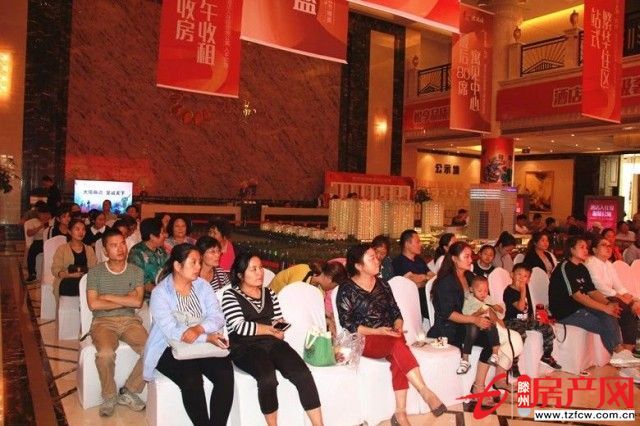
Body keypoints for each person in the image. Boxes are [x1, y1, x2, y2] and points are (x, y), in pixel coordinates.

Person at [337, 244, 445, 424]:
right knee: (397, 344)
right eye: (371, 258)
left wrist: (398, 325)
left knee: (397, 351)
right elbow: (347, 324)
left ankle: (400, 413)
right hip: (365, 338)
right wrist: (377, 331)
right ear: (358, 266)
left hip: (389, 335)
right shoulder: (346, 288)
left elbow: (395, 311)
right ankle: (424, 391)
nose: (377, 260)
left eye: (376, 257)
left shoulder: (382, 284)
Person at [221, 253, 324, 426]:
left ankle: (318, 424)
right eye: (253, 269)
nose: (260, 272)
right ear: (240, 275)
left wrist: (279, 328)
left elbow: (277, 318)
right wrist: (269, 329)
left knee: (302, 374)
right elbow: (240, 327)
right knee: (267, 378)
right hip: (245, 347)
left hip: (272, 342)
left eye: (260, 268)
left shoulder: (269, 293)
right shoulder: (230, 295)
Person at [143, 244, 234, 426]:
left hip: (203, 344)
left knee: (225, 374)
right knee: (191, 379)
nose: (198, 267)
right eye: (193, 263)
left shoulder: (203, 286)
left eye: (199, 262)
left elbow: (217, 317)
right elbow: (172, 331)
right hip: (169, 346)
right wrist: (206, 336)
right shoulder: (160, 293)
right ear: (177, 266)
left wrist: (199, 329)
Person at [428, 241, 512, 406]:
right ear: (454, 259)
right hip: (449, 328)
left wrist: (494, 318)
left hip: (468, 323)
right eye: (466, 256)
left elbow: (484, 301)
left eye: (470, 256)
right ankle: (479, 388)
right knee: (488, 337)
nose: (470, 259)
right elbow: (448, 314)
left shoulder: (469, 277)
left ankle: (483, 385)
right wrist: (475, 319)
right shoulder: (445, 282)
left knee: (494, 336)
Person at [86, 228, 147, 417]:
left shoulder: (136, 271)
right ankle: (109, 395)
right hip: (103, 322)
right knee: (105, 354)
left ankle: (129, 390)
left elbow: (137, 302)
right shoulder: (95, 273)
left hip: (130, 321)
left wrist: (107, 296)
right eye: (114, 245)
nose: (120, 249)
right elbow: (93, 304)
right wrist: (125, 299)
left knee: (153, 349)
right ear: (105, 251)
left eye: (122, 244)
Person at [548, 236, 635, 364]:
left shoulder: (582, 268)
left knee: (609, 315)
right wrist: (605, 307)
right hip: (566, 312)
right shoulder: (565, 267)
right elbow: (577, 296)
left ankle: (620, 355)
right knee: (604, 324)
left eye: (586, 247)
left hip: (581, 308)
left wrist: (609, 304)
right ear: (572, 249)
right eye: (581, 247)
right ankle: (620, 355)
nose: (585, 250)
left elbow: (592, 292)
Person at [502, 263, 560, 377]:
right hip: (511, 321)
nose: (521, 278)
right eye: (519, 274)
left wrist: (536, 319)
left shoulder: (524, 290)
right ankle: (513, 365)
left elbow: (527, 310)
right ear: (512, 275)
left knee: (547, 328)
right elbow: (520, 307)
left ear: (528, 279)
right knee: (521, 336)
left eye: (525, 276)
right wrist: (523, 290)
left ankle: (546, 356)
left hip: (525, 319)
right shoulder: (509, 291)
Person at [584, 235, 640, 353]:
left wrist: (631, 298)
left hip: (612, 296)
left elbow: (619, 285)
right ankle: (625, 349)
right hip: (597, 298)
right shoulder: (591, 263)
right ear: (594, 249)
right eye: (604, 245)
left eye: (609, 245)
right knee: (625, 308)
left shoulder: (608, 264)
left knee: (634, 307)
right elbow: (599, 286)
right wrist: (622, 298)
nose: (608, 248)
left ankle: (629, 348)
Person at [460, 276, 501, 373]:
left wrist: (497, 309)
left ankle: (495, 354)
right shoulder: (468, 300)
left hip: (485, 327)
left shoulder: (488, 299)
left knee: (490, 324)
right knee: (472, 327)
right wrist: (479, 312)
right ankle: (465, 358)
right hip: (472, 326)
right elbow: (467, 317)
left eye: (486, 291)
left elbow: (497, 316)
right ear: (471, 289)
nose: (483, 293)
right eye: (480, 291)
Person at [392, 229, 433, 323]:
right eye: (418, 242)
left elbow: (433, 276)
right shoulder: (398, 262)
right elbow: (411, 282)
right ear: (407, 244)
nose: (420, 244)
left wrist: (423, 278)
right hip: (413, 301)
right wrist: (425, 278)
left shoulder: (419, 260)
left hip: (427, 297)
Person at [51, 218, 97, 300]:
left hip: (85, 280)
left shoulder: (89, 249)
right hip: (67, 280)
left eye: (83, 229)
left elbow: (93, 268)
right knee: (80, 286)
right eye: (77, 229)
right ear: (69, 231)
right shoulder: (62, 249)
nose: (81, 232)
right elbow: (55, 270)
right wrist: (69, 275)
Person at [128, 218, 168, 299]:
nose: (165, 235)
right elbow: (139, 283)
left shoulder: (161, 250)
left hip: (162, 294)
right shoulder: (136, 253)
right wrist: (162, 293)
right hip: (144, 298)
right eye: (162, 233)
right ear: (152, 236)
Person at [25, 203, 52, 283]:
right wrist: (41, 226)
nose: (45, 216)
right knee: (32, 252)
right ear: (38, 214)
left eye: (47, 213)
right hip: (39, 241)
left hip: (50, 241)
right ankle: (32, 273)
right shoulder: (32, 222)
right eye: (43, 214)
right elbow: (29, 233)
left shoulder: (52, 221)